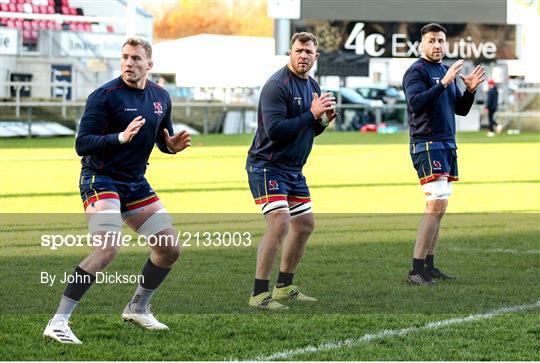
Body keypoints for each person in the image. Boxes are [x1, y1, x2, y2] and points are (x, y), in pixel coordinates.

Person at [43, 37, 192, 344]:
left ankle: (137, 308)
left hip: (135, 183)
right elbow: (82, 144)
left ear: (149, 64)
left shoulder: (161, 96)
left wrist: (170, 147)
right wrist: (119, 138)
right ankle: (58, 322)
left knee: (169, 248)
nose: (128, 63)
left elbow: (160, 137)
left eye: (136, 58)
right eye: (124, 57)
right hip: (100, 178)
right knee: (108, 247)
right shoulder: (104, 96)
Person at [246, 32, 337, 309]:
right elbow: (275, 130)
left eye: (309, 52)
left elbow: (307, 129)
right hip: (267, 166)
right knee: (280, 222)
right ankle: (259, 294)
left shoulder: (313, 85)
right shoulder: (277, 85)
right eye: (299, 51)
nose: (303, 56)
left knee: (306, 224)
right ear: (290, 52)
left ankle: (284, 287)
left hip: (293, 170)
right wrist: (311, 115)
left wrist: (322, 122)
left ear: (316, 56)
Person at [402, 23, 485, 285]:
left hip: (447, 143)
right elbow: (415, 104)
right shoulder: (416, 71)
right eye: (432, 40)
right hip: (427, 143)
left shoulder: (443, 70)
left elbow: (459, 109)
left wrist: (469, 91)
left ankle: (429, 265)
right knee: (435, 202)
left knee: (441, 205)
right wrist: (444, 83)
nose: (437, 45)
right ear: (421, 45)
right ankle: (416, 270)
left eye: (440, 40)